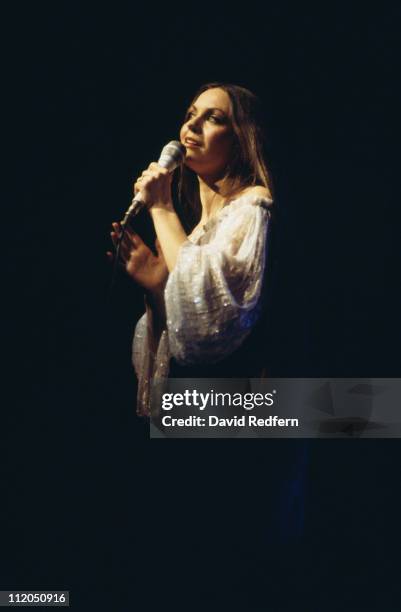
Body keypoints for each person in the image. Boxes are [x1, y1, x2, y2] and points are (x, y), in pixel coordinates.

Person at [109, 82, 274, 416]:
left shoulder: (254, 205)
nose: (192, 126)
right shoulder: (196, 231)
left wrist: (161, 207)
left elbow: (219, 318)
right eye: (190, 115)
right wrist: (159, 288)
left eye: (213, 118)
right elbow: (191, 333)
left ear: (241, 138)